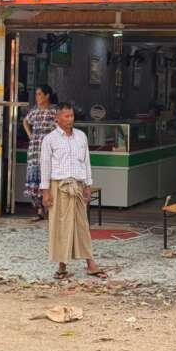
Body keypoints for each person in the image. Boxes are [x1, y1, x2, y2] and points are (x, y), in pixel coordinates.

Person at [40, 102, 106, 280]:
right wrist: (45, 191)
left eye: (72, 116)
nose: (70, 119)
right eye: (66, 116)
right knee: (61, 227)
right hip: (59, 187)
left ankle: (90, 263)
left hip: (77, 186)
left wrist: (88, 185)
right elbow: (45, 166)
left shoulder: (81, 137)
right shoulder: (50, 139)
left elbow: (86, 162)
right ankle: (62, 266)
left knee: (82, 225)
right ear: (57, 118)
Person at [23, 84, 58, 220]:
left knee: (48, 175)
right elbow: (25, 121)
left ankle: (49, 207)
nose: (37, 97)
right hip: (35, 148)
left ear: (47, 96)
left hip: (49, 148)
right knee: (34, 176)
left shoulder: (54, 111)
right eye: (36, 94)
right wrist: (30, 135)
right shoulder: (35, 111)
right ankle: (39, 208)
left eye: (39, 94)